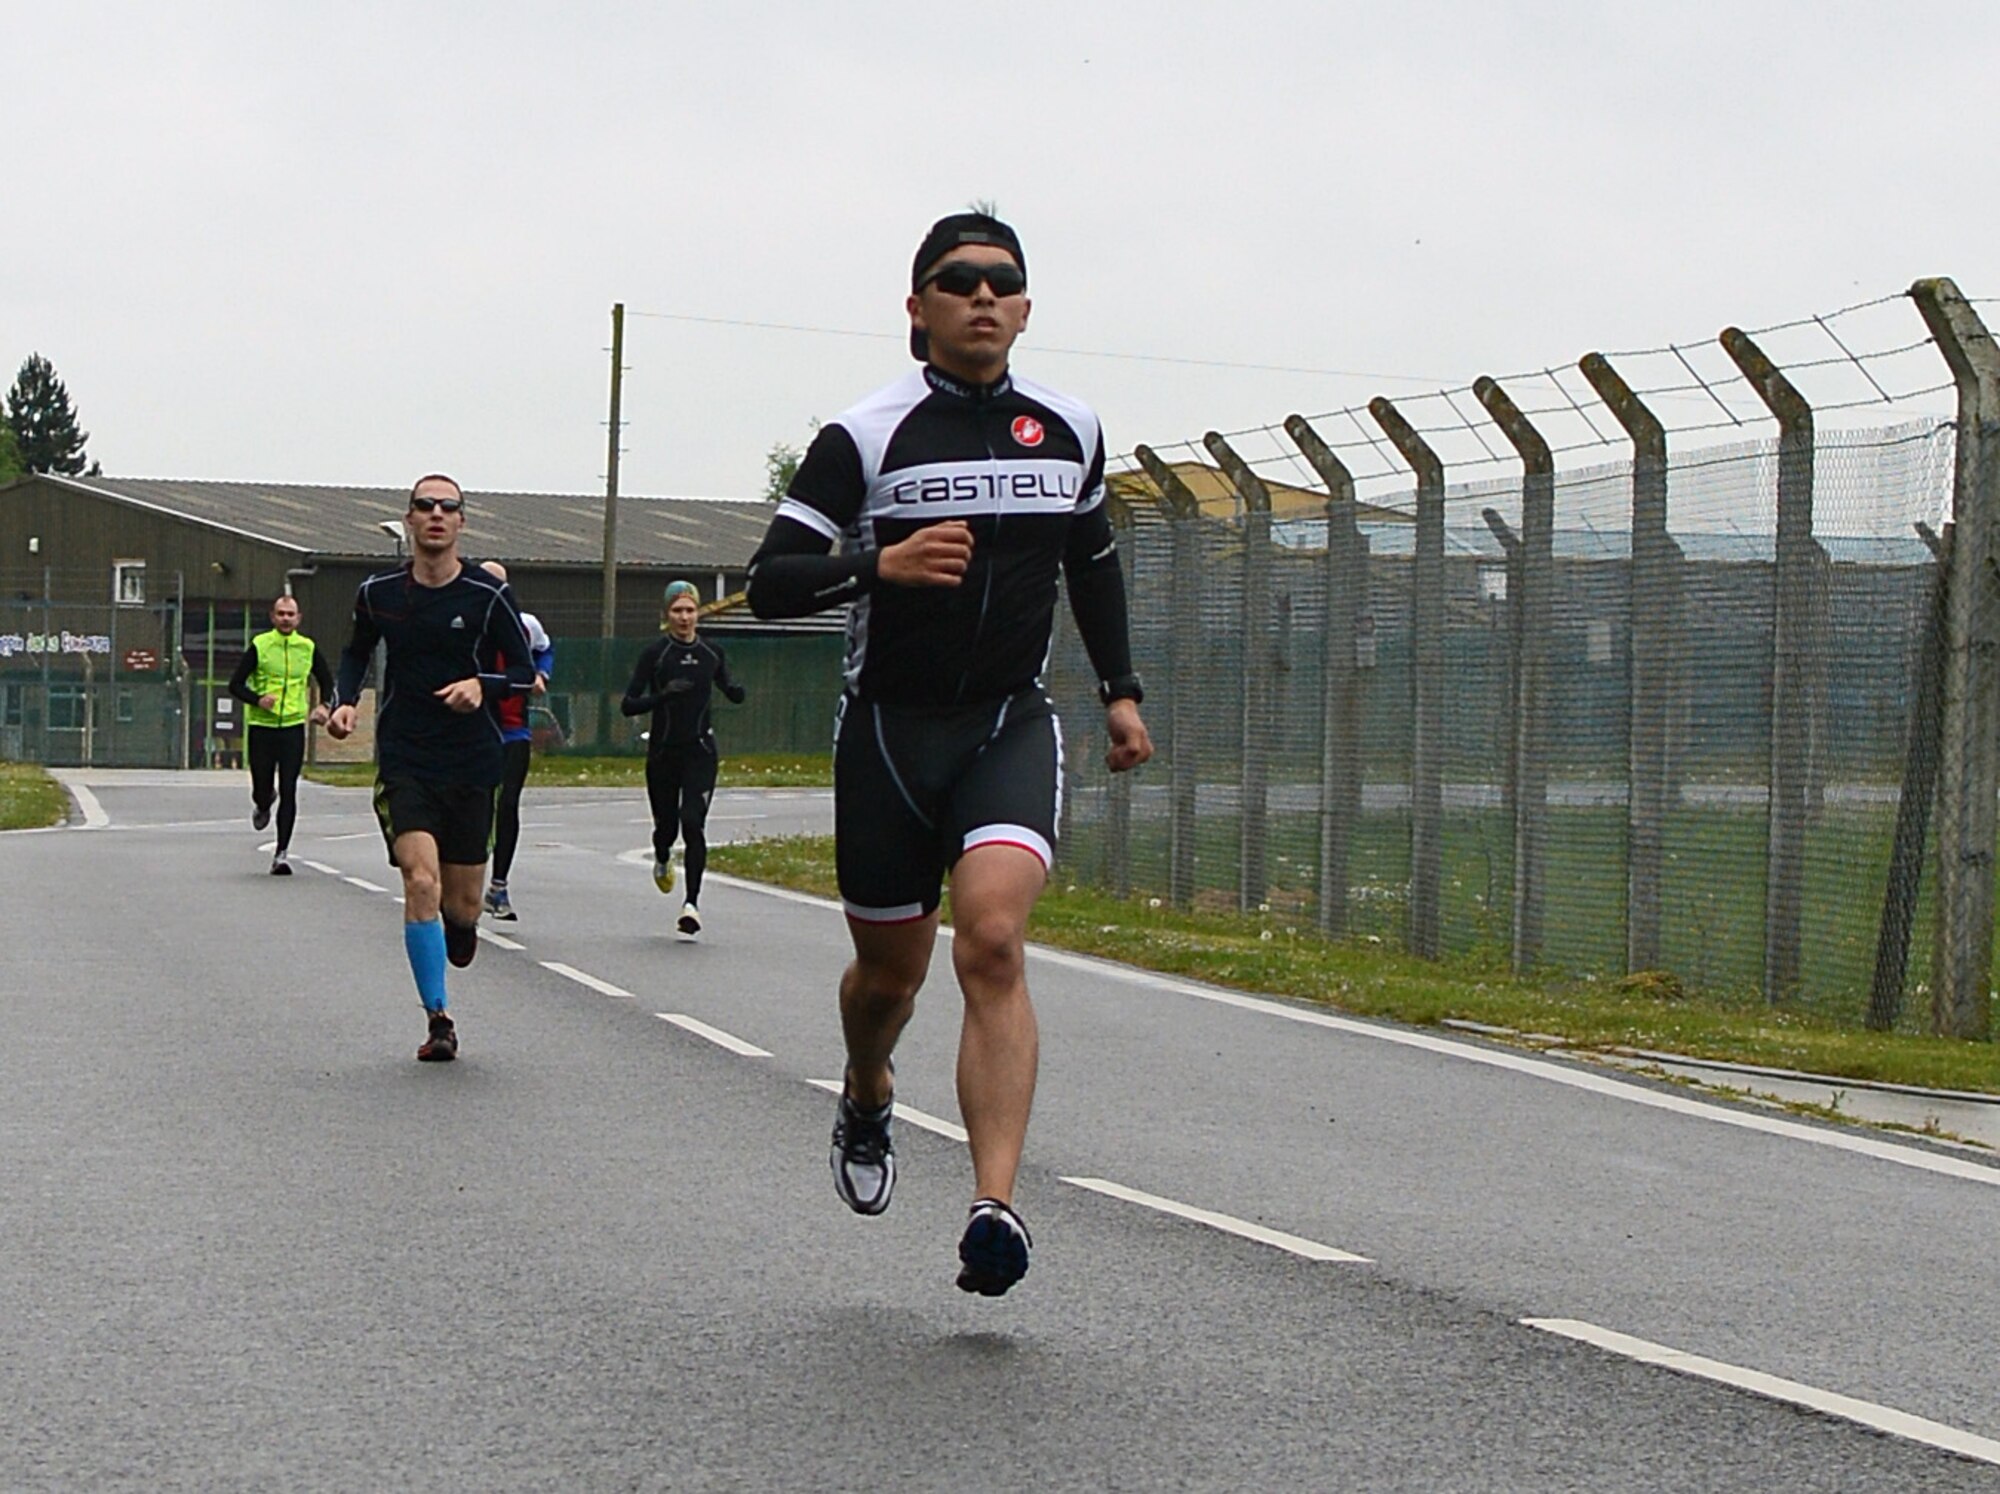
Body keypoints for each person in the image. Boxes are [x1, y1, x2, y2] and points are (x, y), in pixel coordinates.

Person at [746, 211, 1152, 1296]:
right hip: (886, 733)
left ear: (1024, 308)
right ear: (915, 308)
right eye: (956, 281)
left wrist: (1120, 694)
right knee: (890, 975)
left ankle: (994, 1207)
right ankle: (869, 1086)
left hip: (1006, 724)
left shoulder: (1068, 427)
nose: (981, 297)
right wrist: (878, 561)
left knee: (991, 941)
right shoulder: (864, 436)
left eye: (1001, 283)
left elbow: (1093, 563)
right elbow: (773, 580)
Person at [325, 475, 536, 1062]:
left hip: (471, 760)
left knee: (461, 908)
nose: (437, 515)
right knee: (420, 880)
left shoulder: (486, 595)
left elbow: (524, 673)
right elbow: (356, 652)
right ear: (410, 520)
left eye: (448, 507)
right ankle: (439, 1019)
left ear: (462, 522)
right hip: (406, 758)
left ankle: (461, 925)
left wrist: (481, 685)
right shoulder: (379, 593)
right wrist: (344, 700)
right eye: (425, 506)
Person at [621, 580, 745, 938]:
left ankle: (691, 904)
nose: (684, 617)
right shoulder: (656, 655)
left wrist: (736, 692)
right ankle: (662, 855)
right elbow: (628, 704)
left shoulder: (711, 652)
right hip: (663, 752)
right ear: (667, 615)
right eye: (677, 610)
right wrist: (661, 696)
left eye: (690, 610)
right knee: (667, 829)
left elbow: (728, 685)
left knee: (693, 822)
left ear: (698, 613)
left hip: (700, 751)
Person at [227, 594, 334, 875]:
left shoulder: (307, 647)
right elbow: (235, 684)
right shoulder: (261, 646)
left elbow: (327, 680)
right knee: (262, 787)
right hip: (262, 727)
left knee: (290, 789)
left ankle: (282, 853)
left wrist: (324, 706)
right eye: (281, 614)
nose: (286, 618)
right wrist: (257, 699)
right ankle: (263, 802)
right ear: (273, 618)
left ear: (298, 619)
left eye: (291, 614)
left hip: (292, 727)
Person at [477, 561, 554, 921]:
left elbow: (545, 649)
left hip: (513, 727)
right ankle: (460, 877)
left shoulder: (526, 624)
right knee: (472, 804)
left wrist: (541, 673)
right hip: (473, 729)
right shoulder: (466, 623)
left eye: (499, 586)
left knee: (507, 804)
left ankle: (499, 886)